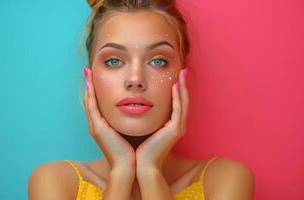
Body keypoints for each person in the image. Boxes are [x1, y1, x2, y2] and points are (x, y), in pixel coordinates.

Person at [28, 0, 255, 199]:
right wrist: (121, 170)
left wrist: (150, 171)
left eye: (158, 61)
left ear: (182, 73)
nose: (135, 80)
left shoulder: (224, 180)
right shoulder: (54, 182)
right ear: (91, 76)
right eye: (114, 61)